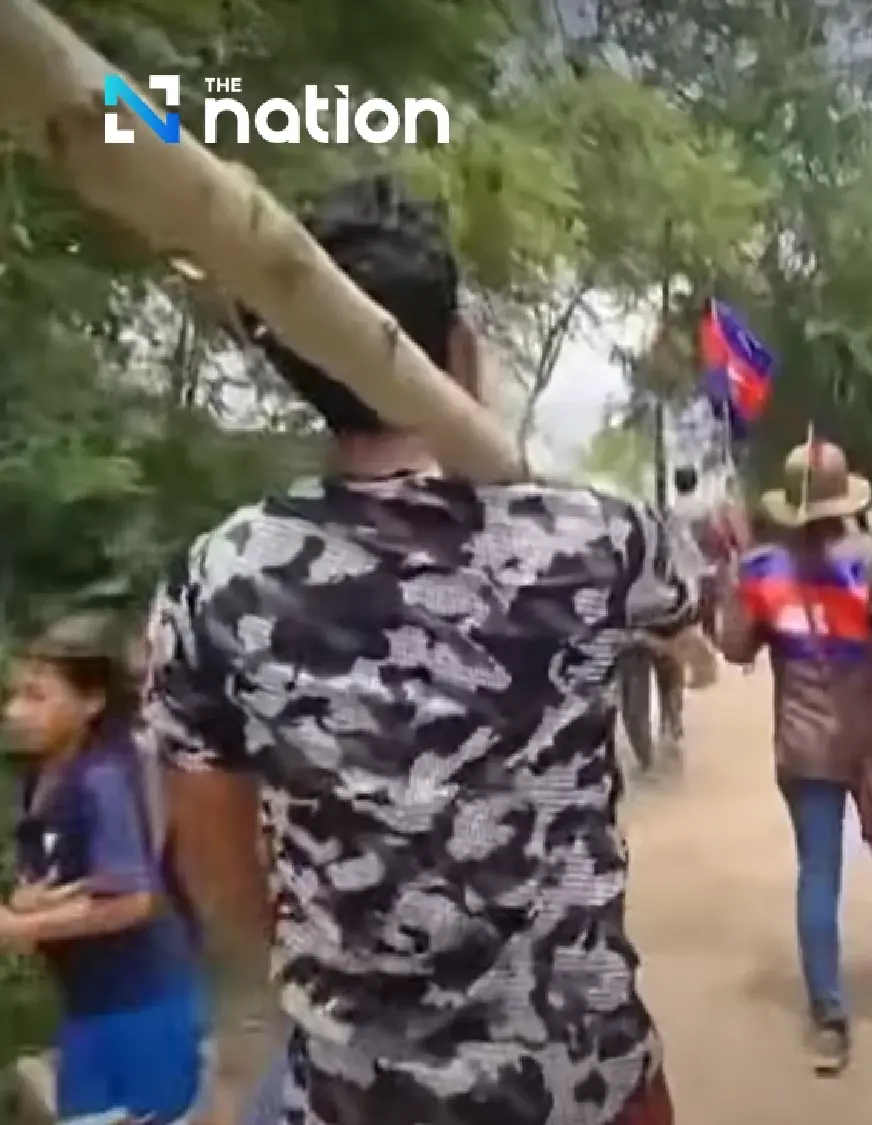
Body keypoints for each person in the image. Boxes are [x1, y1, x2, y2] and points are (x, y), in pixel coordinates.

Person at [142, 173, 703, 1125]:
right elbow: (694, 611)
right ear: (459, 350)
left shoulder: (220, 577)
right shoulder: (603, 538)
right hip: (582, 1079)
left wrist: (312, 963)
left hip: (361, 1091)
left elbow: (214, 861)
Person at [711, 440, 872, 1076]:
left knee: (817, 871)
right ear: (843, 499)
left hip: (804, 744)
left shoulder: (763, 568)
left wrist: (735, 582)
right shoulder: (867, 559)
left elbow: (734, 648)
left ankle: (829, 1018)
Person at [1, 612, 207, 1124]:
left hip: (141, 1005)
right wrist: (28, 902)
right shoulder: (41, 776)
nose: (15, 711)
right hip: (90, 1008)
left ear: (91, 702)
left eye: (36, 695)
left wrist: (21, 926)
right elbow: (72, 875)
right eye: (14, 695)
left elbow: (135, 899)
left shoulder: (103, 780)